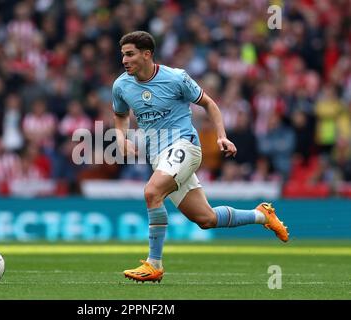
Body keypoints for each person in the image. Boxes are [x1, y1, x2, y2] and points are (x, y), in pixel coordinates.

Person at [112, 31, 289, 283]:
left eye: (129, 54)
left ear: (147, 54)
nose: (125, 60)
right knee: (206, 219)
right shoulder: (121, 85)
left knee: (152, 192)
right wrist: (121, 138)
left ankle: (154, 264)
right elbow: (120, 115)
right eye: (123, 55)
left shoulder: (176, 78)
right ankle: (262, 215)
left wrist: (221, 136)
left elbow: (209, 104)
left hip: (185, 146)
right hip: (160, 158)